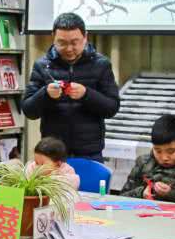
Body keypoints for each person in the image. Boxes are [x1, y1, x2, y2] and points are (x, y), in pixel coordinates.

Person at [22, 13, 120, 161]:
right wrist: (46, 94)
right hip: (52, 153)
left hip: (89, 151)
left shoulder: (101, 65)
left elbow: (112, 107)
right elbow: (28, 110)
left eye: (75, 42)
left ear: (85, 37)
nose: (69, 49)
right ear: (53, 37)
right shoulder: (42, 65)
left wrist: (86, 94)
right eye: (62, 43)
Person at [117, 115, 175, 204]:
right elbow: (121, 198)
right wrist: (142, 193)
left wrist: (172, 194)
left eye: (171, 151)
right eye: (158, 151)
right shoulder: (144, 163)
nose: (164, 158)